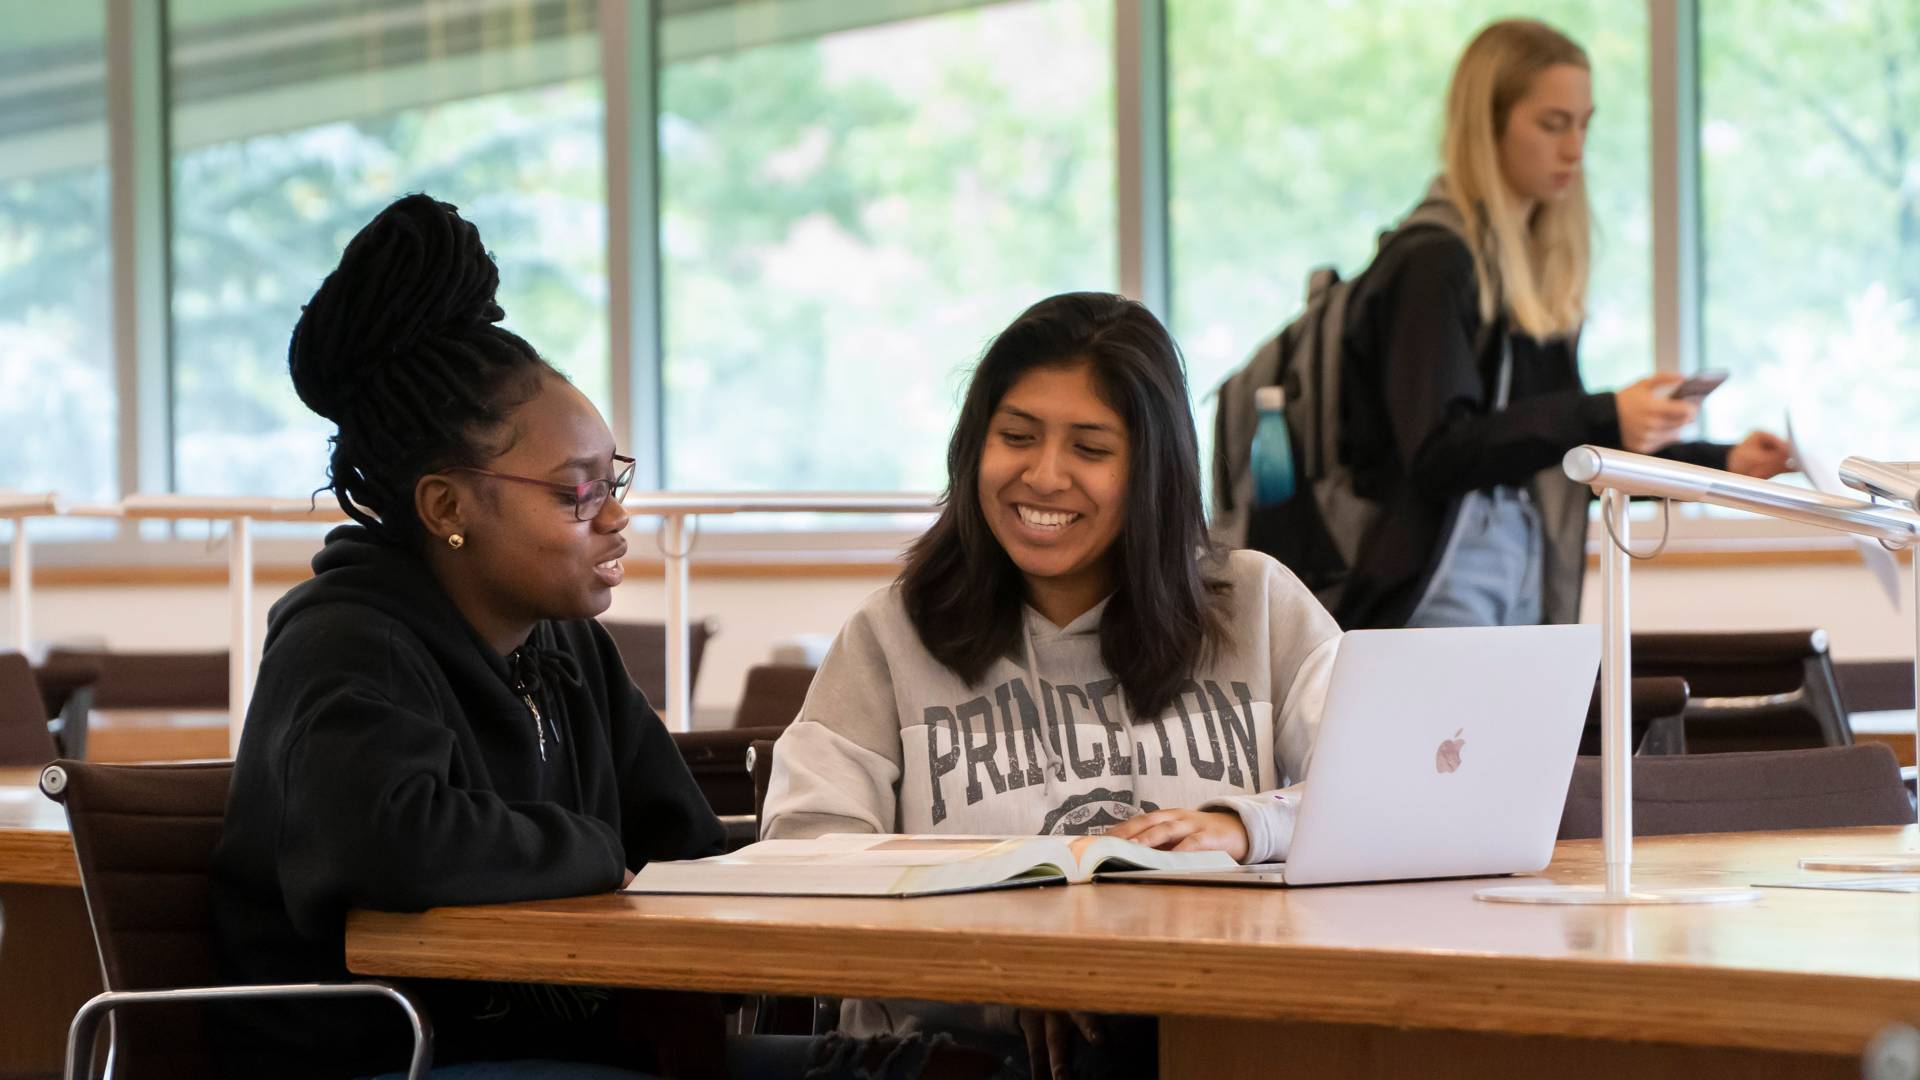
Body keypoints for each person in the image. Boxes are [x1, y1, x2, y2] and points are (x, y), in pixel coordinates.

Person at [208, 194, 822, 1080]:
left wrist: (830, 865)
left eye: (614, 480)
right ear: (447, 506)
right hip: (401, 1057)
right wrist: (594, 848)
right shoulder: (349, 641)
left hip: (556, 1048)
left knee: (930, 1065)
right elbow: (388, 842)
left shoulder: (564, 647)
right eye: (576, 492)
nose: (617, 518)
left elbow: (679, 844)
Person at [761, 292, 1343, 1078]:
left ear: (1151, 467)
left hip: (1222, 1035)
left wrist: (1249, 828)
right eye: (1017, 437)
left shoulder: (1259, 605)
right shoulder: (891, 633)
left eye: (1091, 448)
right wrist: (1013, 967)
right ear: (976, 447)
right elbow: (802, 855)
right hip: (953, 1056)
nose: (1043, 475)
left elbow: (1391, 795)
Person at [1324, 18, 1793, 630]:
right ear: (1487, 126)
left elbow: (1559, 450)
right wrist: (1605, 414)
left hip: (1506, 586)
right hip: (1425, 598)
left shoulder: (1526, 272)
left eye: (1584, 124)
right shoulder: (1432, 263)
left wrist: (1723, 460)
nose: (1575, 149)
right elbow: (1438, 454)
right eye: (1552, 124)